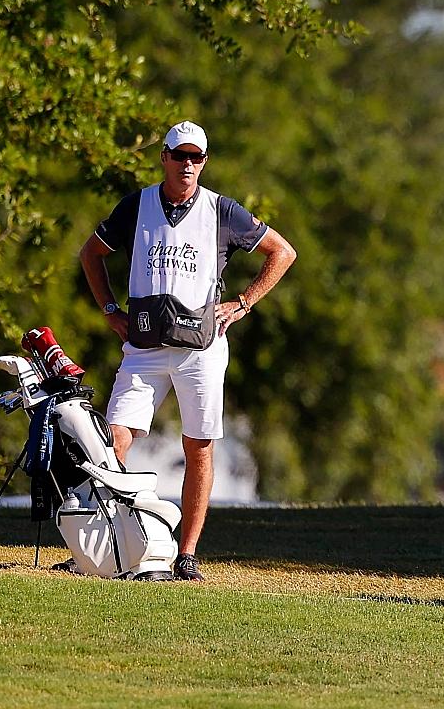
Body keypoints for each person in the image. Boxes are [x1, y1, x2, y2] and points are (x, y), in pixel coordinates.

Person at [79, 120, 297, 581]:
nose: (188, 165)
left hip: (202, 348)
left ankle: (187, 554)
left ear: (205, 162)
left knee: (198, 446)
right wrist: (110, 309)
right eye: (180, 156)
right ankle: (105, 546)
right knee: (114, 438)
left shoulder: (222, 210)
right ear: (164, 157)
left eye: (196, 157)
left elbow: (282, 252)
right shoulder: (136, 205)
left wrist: (243, 303)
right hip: (144, 346)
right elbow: (90, 253)